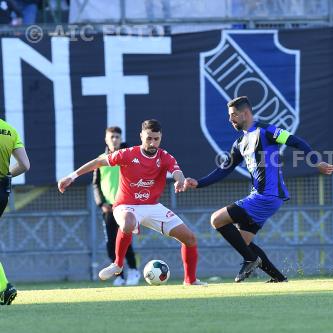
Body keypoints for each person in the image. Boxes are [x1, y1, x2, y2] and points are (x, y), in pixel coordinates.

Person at [184, 96, 333, 283]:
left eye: (233, 115)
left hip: (267, 196)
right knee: (243, 241)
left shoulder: (267, 131)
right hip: (262, 196)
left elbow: (296, 141)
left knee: (216, 219)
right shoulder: (240, 143)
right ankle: (279, 279)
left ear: (246, 113)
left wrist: (316, 162)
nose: (230, 119)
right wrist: (198, 183)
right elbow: (224, 169)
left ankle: (250, 260)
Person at [58, 119, 206, 286]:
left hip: (152, 206)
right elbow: (98, 162)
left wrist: (180, 181)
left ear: (161, 138)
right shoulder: (128, 154)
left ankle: (190, 280)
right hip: (125, 206)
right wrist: (71, 177)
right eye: (148, 138)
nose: (152, 143)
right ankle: (118, 264)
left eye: (156, 139)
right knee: (128, 222)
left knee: (190, 238)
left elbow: (177, 171)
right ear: (141, 136)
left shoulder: (164, 156)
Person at [92, 126, 139, 286]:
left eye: (117, 137)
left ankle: (133, 271)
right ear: (106, 139)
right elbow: (96, 184)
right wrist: (101, 203)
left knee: (126, 240)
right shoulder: (100, 159)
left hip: (126, 207)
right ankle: (119, 275)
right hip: (108, 208)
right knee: (111, 243)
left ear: (121, 139)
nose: (114, 140)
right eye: (111, 137)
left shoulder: (129, 156)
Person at [0, 119, 30, 305]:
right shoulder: (9, 130)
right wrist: (8, 174)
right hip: (3, 191)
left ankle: (4, 287)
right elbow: (25, 165)